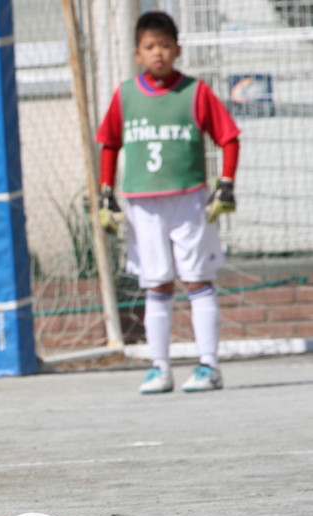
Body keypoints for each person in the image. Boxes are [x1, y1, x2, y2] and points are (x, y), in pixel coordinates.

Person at [96, 10, 240, 395]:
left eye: (164, 45)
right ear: (137, 53)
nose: (157, 52)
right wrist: (106, 191)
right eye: (149, 46)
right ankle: (159, 367)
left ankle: (209, 365)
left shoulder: (195, 92)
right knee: (156, 284)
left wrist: (226, 183)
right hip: (143, 205)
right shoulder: (126, 95)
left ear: (177, 49)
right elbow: (109, 143)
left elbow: (228, 137)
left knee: (197, 280)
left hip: (188, 199)